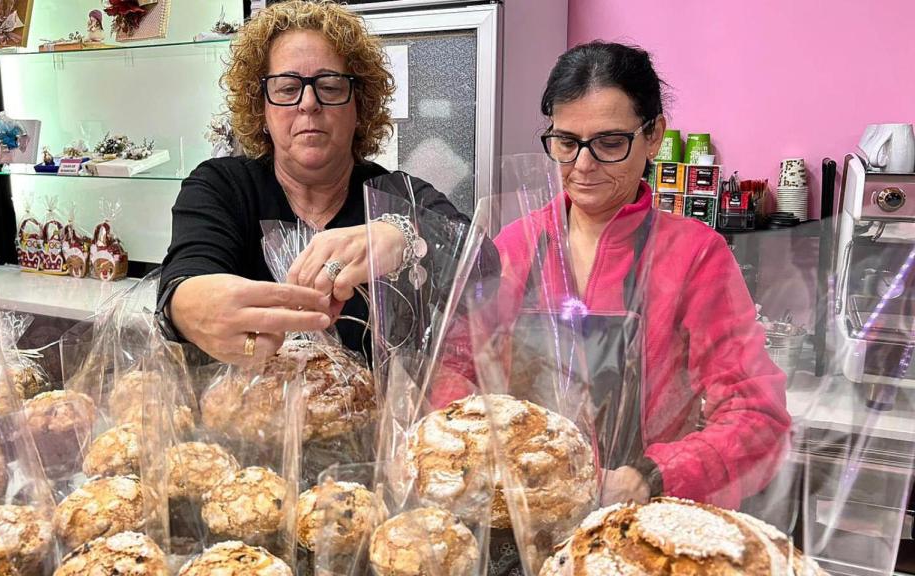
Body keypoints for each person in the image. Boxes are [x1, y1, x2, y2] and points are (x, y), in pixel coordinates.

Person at [436, 41, 791, 513]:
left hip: (640, 522)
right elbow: (454, 370)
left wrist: (651, 477)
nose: (582, 166)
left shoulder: (695, 256)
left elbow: (757, 415)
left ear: (653, 136)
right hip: (521, 519)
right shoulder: (515, 244)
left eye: (609, 143)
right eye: (566, 142)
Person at [158, 1, 469, 364]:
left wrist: (403, 235)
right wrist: (187, 305)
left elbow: (483, 261)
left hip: (382, 418)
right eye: (287, 88)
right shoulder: (222, 186)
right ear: (262, 109)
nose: (308, 103)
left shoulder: (398, 194)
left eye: (331, 86)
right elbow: (186, 274)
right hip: (244, 418)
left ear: (359, 107)